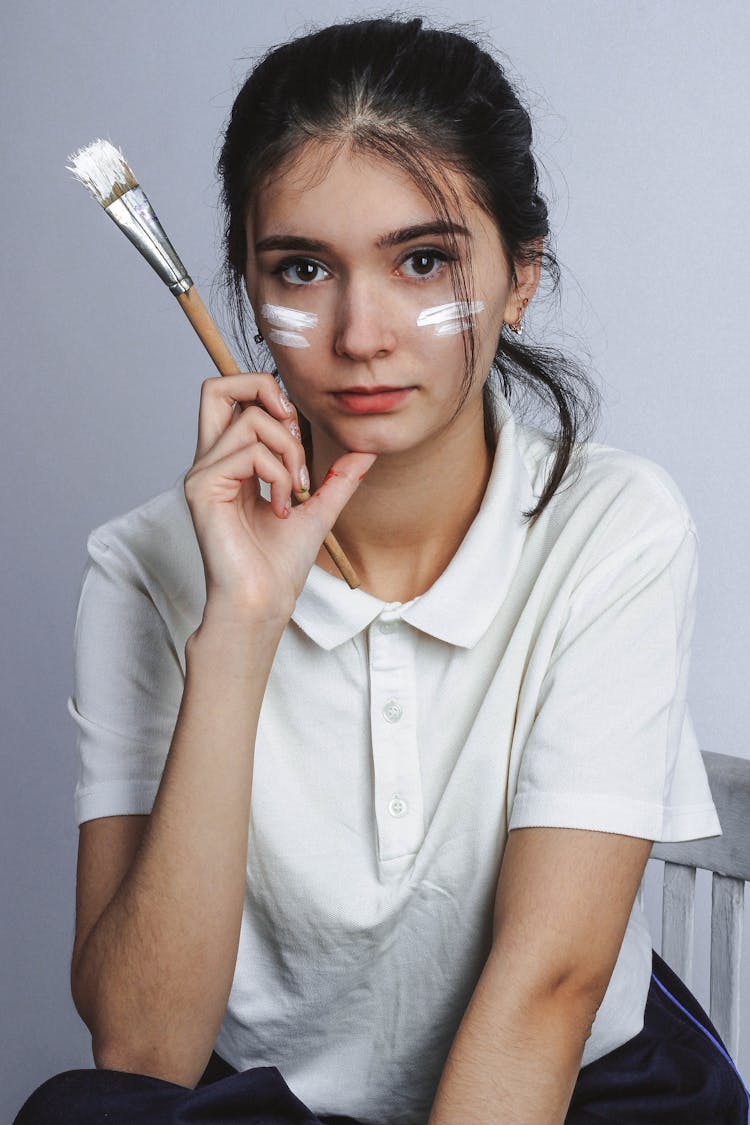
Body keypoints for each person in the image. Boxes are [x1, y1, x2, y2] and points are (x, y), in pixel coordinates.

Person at [14, 16, 749, 1125]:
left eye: (423, 262)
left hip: (561, 1089)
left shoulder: (616, 525)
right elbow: (142, 1048)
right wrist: (243, 627)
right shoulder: (144, 567)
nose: (361, 332)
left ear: (519, 278)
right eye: (302, 268)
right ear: (249, 292)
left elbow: (546, 993)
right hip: (266, 1105)